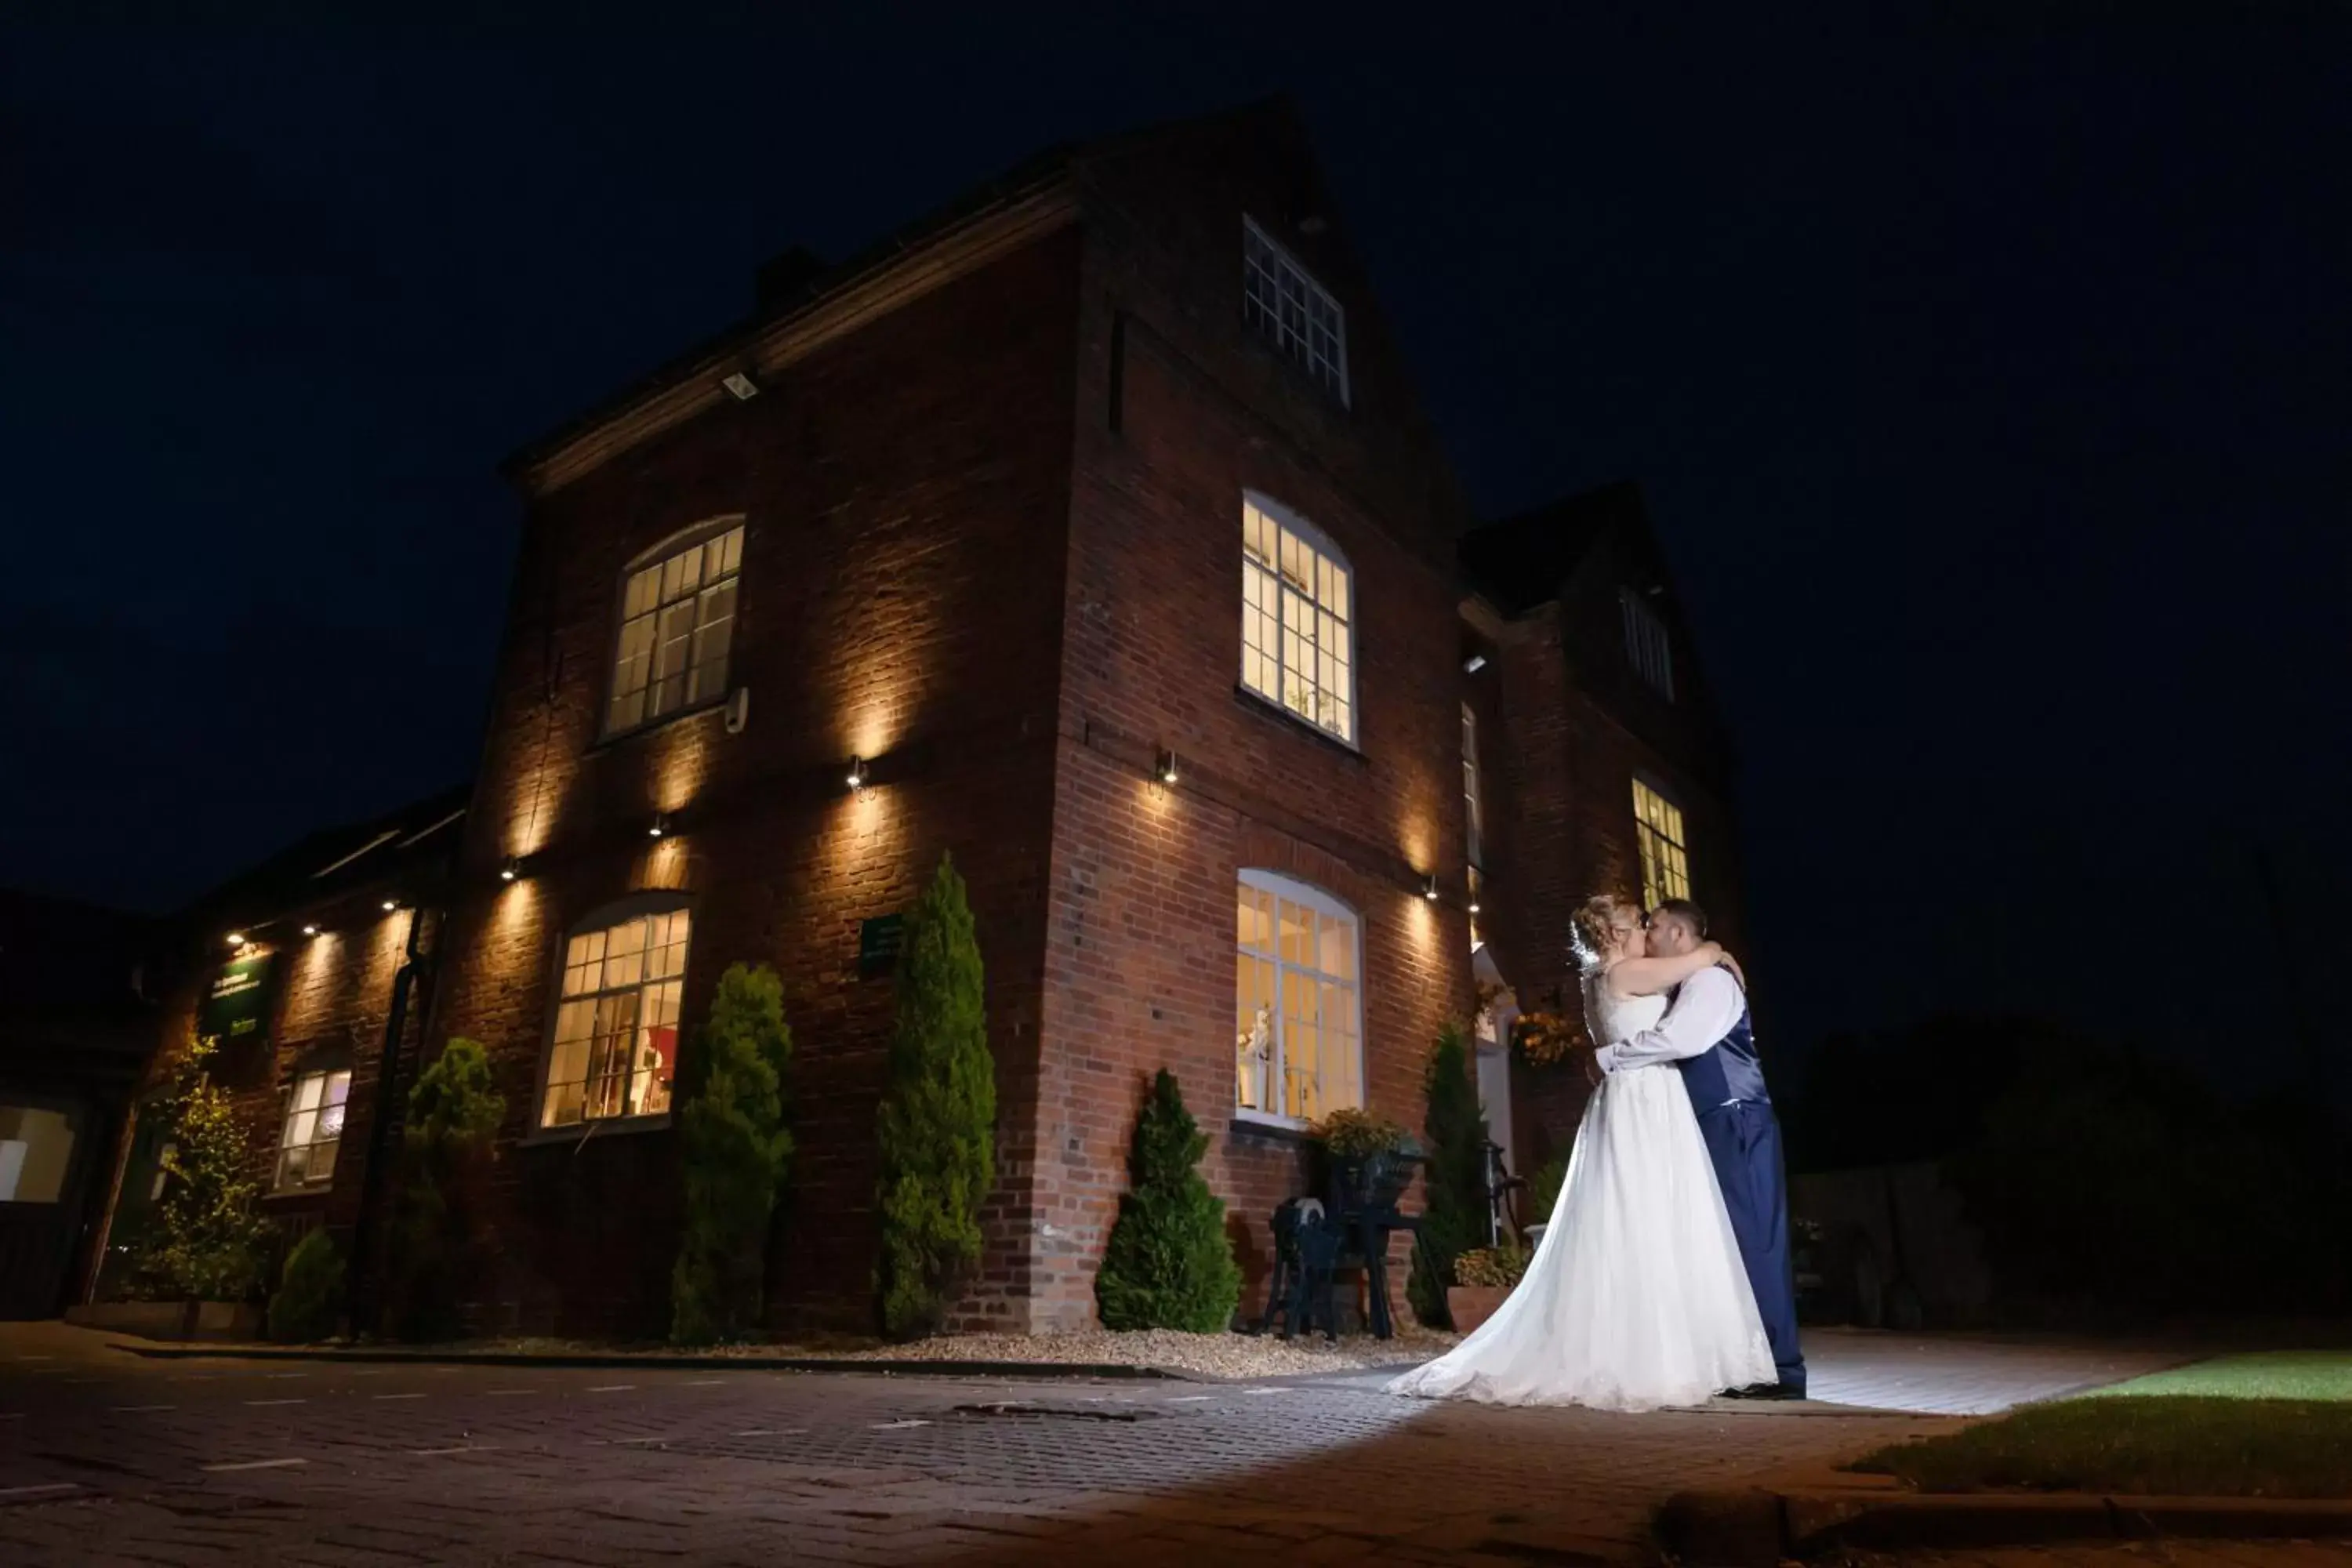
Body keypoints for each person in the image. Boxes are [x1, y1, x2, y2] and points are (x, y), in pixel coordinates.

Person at [1388, 893, 1775, 1411]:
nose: (1645, 930)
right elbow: (1702, 958)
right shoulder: (1629, 973)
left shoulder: (1595, 980)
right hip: (1645, 1100)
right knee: (1649, 1217)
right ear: (1617, 935)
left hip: (1626, 1099)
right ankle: (1650, 1355)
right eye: (1639, 923)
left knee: (1632, 1218)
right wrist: (1720, 950)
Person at [1595, 897, 1805, 1399]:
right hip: (1712, 1122)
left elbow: (1681, 1040)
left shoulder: (1711, 982)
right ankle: (1744, 1362)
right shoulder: (1688, 979)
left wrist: (1610, 1057)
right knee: (1726, 1245)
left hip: (1737, 1117)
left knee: (1755, 1241)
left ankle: (1780, 1369)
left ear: (1678, 934)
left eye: (1656, 926)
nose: (1649, 933)